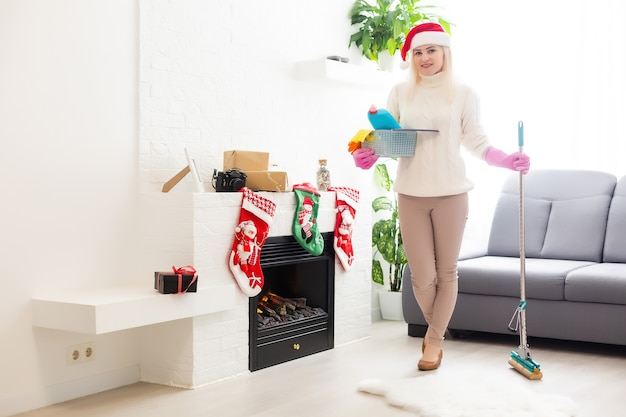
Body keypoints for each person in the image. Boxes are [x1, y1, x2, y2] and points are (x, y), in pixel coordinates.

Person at [352, 22, 530, 371]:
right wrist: (369, 153)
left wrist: (507, 160)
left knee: (447, 273)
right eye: (418, 52)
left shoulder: (463, 93)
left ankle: (433, 342)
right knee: (421, 277)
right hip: (410, 194)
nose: (424, 58)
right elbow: (392, 141)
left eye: (431, 50)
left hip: (451, 194)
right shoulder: (400, 92)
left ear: (445, 52)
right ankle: (439, 328)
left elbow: (477, 141)